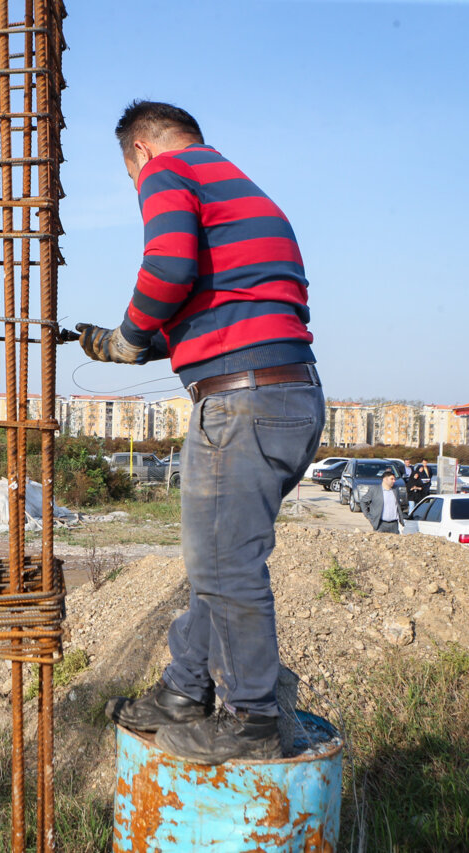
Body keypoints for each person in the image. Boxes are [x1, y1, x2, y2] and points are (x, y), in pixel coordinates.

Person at [80, 101, 324, 764]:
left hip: (244, 401)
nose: (137, 187)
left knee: (224, 563)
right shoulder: (242, 189)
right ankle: (184, 691)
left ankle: (252, 719)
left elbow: (167, 266)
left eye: (130, 174)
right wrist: (117, 342)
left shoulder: (168, 172)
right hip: (287, 394)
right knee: (219, 559)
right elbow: (212, 304)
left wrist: (129, 334)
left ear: (140, 151)